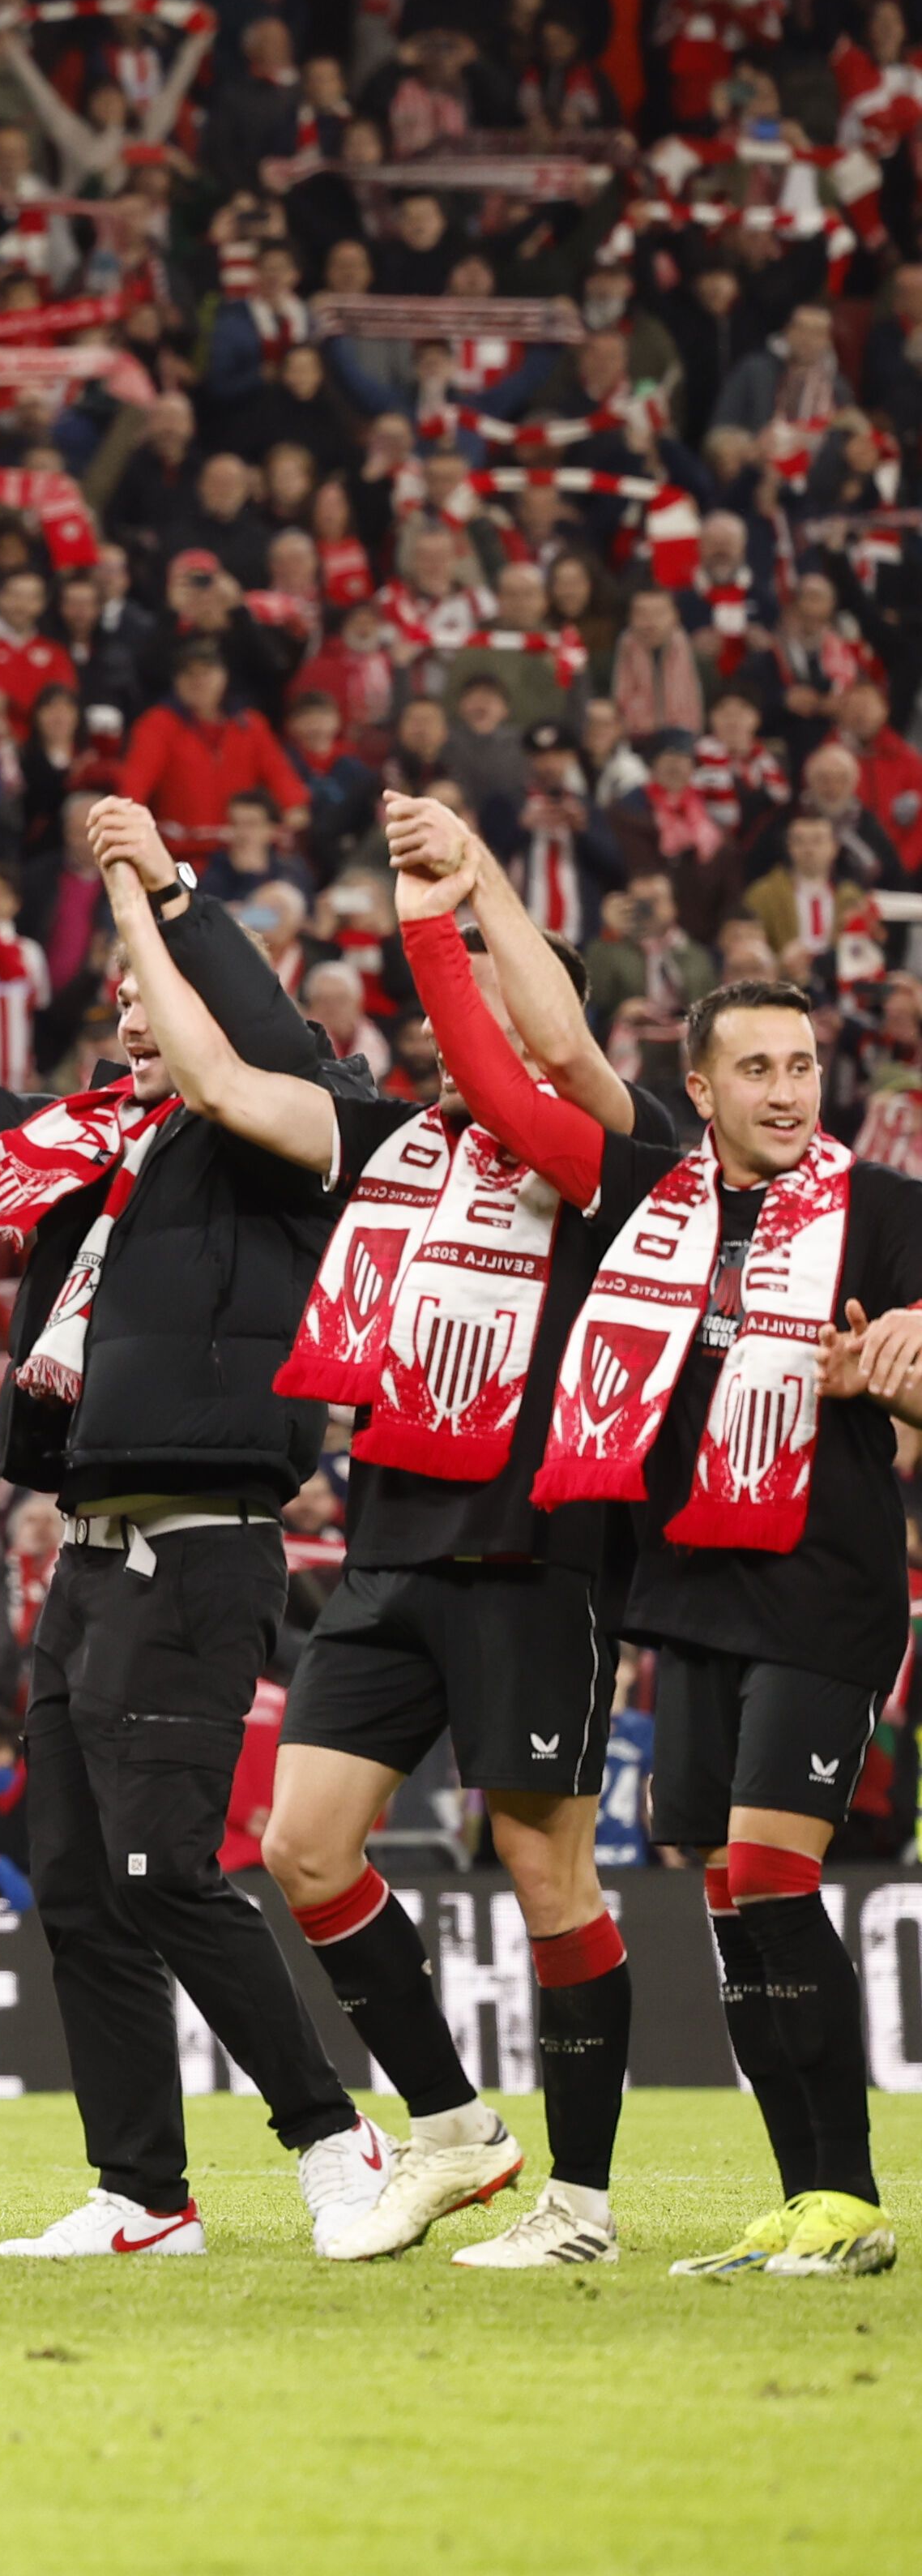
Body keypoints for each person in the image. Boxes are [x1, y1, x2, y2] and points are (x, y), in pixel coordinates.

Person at [121, 790, 647, 2268]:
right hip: (392, 1549)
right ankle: (458, 2134)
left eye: (498, 1009)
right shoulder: (397, 1147)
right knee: (304, 1847)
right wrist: (154, 901)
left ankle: (586, 2210)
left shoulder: (612, 1149)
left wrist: (451, 897)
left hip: (535, 1557)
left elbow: (507, 1042)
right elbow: (228, 1078)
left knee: (549, 1872)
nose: (464, 1046)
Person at [0, 796, 391, 2268]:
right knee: (89, 1893)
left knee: (169, 1870)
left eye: (161, 1002)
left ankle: (335, 2140)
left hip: (206, 1537)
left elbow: (254, 1051)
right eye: (125, 1005)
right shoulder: (99, 1148)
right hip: (92, 1551)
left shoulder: (295, 1127)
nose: (140, 1024)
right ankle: (142, 2195)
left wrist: (160, 891)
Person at [411, 892, 918, 2280]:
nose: (786, 1091)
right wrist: (476, 901)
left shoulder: (881, 1210)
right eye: (755, 1069)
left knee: (770, 1868)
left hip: (824, 1578)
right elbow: (562, 1053)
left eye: (804, 1067)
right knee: (721, 1889)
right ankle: (800, 2192)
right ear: (697, 1088)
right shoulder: (651, 1193)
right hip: (684, 1584)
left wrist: (914, 1346)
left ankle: (852, 2192)